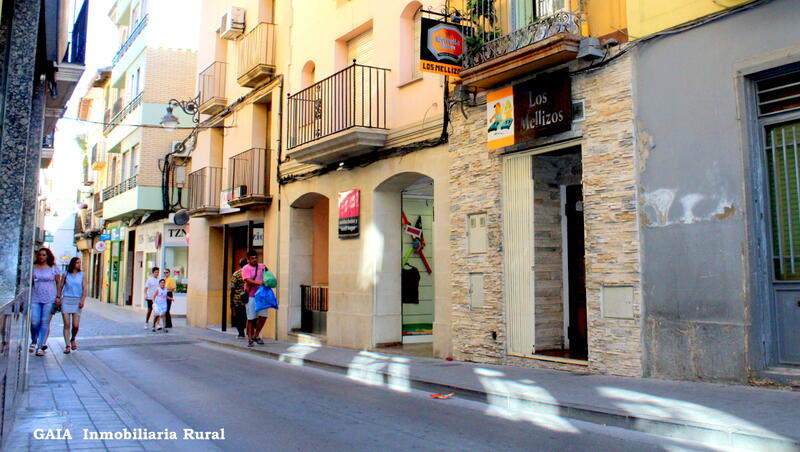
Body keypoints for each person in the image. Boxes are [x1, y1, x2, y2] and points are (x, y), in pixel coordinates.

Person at [30, 248, 62, 356]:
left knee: (45, 322)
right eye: (39, 255)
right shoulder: (33, 267)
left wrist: (58, 296)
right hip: (35, 297)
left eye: (43, 255)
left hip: (49, 297)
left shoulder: (53, 268)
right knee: (34, 321)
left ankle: (40, 345)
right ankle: (34, 340)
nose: (41, 257)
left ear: (47, 256)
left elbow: (58, 282)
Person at [242, 250, 268, 347]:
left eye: (256, 258)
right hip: (250, 296)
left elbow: (268, 275)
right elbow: (247, 280)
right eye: (252, 258)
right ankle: (250, 339)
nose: (255, 260)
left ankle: (256, 335)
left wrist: (269, 280)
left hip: (261, 296)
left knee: (263, 316)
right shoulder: (246, 268)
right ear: (248, 260)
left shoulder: (262, 266)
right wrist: (259, 283)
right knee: (251, 318)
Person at [60, 257, 86, 354]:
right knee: (67, 324)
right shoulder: (66, 274)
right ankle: (67, 346)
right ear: (72, 264)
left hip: (77, 301)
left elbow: (85, 288)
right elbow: (61, 286)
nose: (79, 264)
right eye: (77, 263)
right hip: (66, 299)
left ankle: (73, 338)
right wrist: (58, 296)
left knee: (75, 325)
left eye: (80, 262)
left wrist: (82, 300)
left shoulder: (82, 275)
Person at [229, 258, 248, 339]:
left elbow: (232, 288)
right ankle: (247, 332)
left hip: (238, 299)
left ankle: (241, 333)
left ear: (240, 265)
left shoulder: (236, 274)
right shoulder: (249, 273)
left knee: (238, 316)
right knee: (246, 316)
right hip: (248, 298)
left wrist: (231, 301)